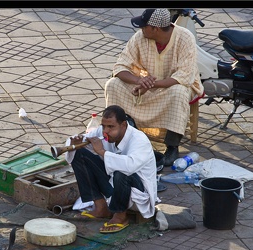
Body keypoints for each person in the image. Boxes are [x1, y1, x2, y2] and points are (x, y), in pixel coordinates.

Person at [104, 8, 204, 166]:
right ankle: (127, 134)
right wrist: (139, 81)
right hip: (147, 85)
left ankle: (172, 146)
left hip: (175, 87)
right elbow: (120, 67)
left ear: (155, 28)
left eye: (144, 26)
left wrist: (150, 84)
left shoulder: (185, 38)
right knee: (113, 85)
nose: (141, 29)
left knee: (178, 92)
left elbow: (183, 76)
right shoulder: (140, 37)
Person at [65, 105, 158, 233]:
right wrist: (74, 144)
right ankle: (101, 207)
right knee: (79, 153)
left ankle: (120, 216)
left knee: (122, 170)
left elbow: (130, 166)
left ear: (123, 125)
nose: (105, 131)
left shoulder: (139, 140)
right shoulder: (103, 132)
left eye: (111, 127)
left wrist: (102, 151)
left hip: (137, 192)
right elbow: (82, 139)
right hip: (114, 185)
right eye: (104, 126)